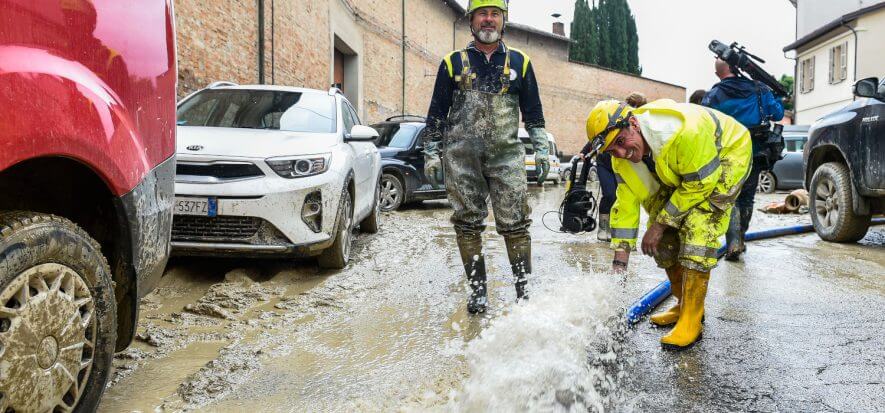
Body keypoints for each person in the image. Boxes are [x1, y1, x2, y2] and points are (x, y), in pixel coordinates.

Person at [586, 99, 751, 349]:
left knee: (699, 226)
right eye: (611, 150)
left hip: (727, 154)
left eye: (620, 142)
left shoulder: (682, 132)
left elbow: (701, 184)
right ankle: (683, 303)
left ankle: (692, 320)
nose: (620, 153)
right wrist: (620, 265)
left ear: (633, 124)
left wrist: (661, 224)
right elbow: (626, 207)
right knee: (661, 236)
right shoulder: (622, 159)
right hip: (686, 166)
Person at [422, 0, 548, 314]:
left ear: (503, 21)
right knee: (467, 225)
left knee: (516, 225)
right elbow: (436, 115)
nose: (488, 20)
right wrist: (431, 155)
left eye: (494, 14)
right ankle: (478, 292)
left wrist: (542, 151)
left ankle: (523, 291)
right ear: (471, 21)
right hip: (462, 160)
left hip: (506, 158)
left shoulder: (521, 62)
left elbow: (533, 115)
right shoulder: (452, 63)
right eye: (482, 14)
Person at [701, 59, 784, 261]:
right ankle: (741, 239)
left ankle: (733, 243)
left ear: (718, 74)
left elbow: (703, 123)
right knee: (747, 197)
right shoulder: (759, 88)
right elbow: (778, 114)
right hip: (755, 152)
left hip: (726, 154)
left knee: (730, 197)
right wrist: (776, 95)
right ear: (736, 67)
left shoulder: (713, 95)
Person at [592, 92, 648, 242]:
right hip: (604, 162)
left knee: (620, 197)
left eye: (638, 107)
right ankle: (603, 228)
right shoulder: (618, 116)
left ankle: (613, 227)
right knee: (609, 194)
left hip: (623, 164)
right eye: (633, 105)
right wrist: (584, 152)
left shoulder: (640, 123)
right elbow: (600, 136)